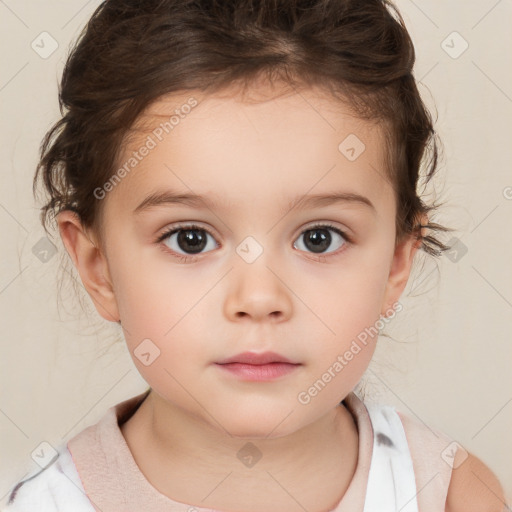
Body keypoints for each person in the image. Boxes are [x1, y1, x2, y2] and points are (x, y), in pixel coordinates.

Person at [2, 1, 506, 511]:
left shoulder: (449, 494)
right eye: (190, 239)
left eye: (319, 238)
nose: (259, 298)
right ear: (99, 268)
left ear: (397, 265)